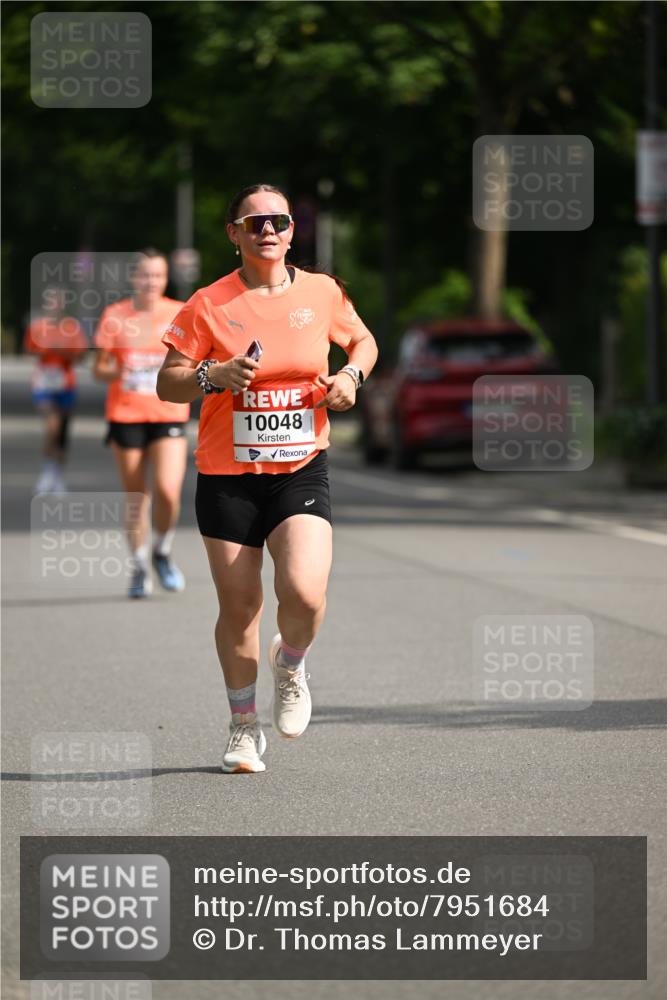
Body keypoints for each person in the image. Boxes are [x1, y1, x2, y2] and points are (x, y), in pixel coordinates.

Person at [157, 183, 378, 774]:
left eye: (278, 221)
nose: (268, 232)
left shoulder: (322, 291)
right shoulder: (208, 302)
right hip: (227, 475)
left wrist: (351, 377)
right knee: (241, 606)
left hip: (300, 467)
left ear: (291, 231)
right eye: (255, 224)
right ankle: (242, 727)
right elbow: (168, 382)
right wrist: (212, 375)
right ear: (234, 234)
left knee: (304, 592)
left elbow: (362, 340)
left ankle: (292, 663)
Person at [93, 249, 189, 599]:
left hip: (168, 414)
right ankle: (138, 566)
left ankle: (161, 551)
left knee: (168, 491)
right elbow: (99, 368)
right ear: (134, 278)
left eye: (158, 275)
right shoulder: (115, 315)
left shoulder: (180, 312)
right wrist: (122, 369)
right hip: (127, 414)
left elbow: (193, 360)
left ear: (165, 278)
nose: (151, 282)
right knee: (137, 497)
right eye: (145, 275)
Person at [24, 286, 88, 494]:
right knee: (52, 426)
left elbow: (81, 355)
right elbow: (29, 350)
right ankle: (47, 472)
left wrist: (62, 351)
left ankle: (57, 476)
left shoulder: (71, 327)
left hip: (65, 384)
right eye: (50, 301)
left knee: (62, 434)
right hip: (44, 383)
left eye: (57, 301)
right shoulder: (38, 326)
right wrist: (46, 350)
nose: (54, 306)